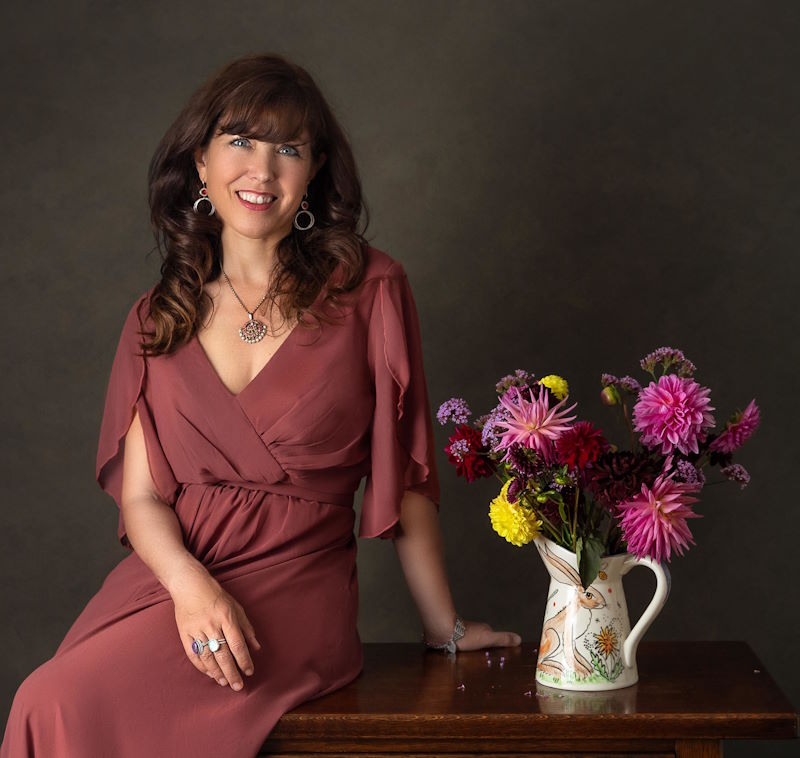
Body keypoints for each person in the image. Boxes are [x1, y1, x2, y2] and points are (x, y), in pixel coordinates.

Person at [1, 53, 521, 758]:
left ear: (313, 172)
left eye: (288, 149)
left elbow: (408, 482)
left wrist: (445, 628)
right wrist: (190, 587)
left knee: (57, 702)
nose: (262, 169)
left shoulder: (371, 290)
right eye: (241, 141)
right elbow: (144, 498)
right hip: (176, 582)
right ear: (201, 163)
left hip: (297, 593)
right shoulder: (157, 318)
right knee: (46, 699)